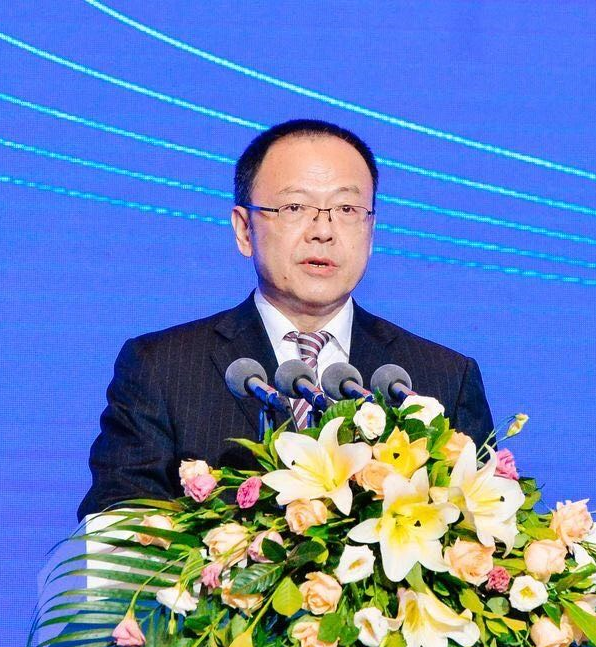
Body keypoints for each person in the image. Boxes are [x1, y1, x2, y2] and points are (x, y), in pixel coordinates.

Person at [77, 119, 495, 521]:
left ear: (371, 230)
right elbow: (116, 525)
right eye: (295, 207)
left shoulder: (442, 378)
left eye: (347, 208)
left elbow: (486, 530)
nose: (323, 231)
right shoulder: (162, 368)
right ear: (244, 230)